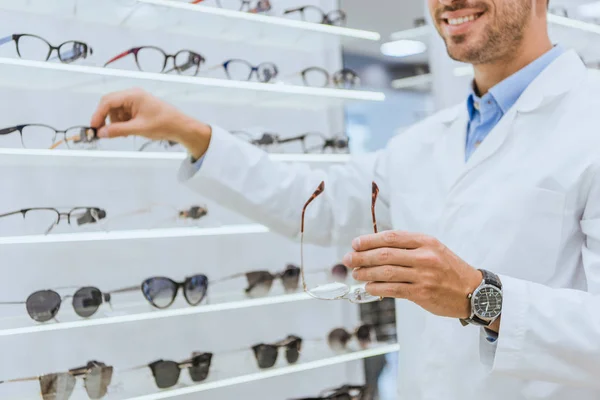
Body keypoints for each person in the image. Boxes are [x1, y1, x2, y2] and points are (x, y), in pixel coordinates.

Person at [90, 0, 600, 398]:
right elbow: (308, 206)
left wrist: (477, 295)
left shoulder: (588, 121)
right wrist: (188, 131)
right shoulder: (421, 144)